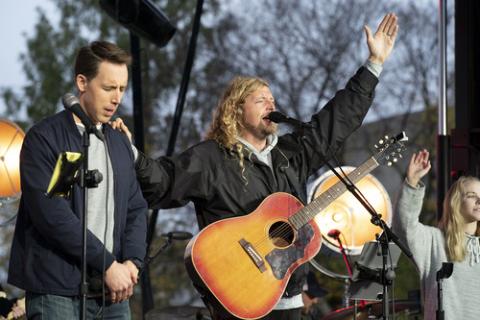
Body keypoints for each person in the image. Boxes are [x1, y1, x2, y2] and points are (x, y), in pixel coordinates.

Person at [114, 13, 398, 320]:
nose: (271, 105)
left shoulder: (291, 155)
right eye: (261, 99)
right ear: (236, 108)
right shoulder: (212, 158)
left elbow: (335, 123)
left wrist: (374, 65)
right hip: (237, 301)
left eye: (273, 100)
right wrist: (131, 154)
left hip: (288, 302)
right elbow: (162, 181)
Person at [7, 41, 148, 319]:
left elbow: (136, 208)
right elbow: (53, 214)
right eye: (109, 88)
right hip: (58, 291)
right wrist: (108, 265)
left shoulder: (119, 143)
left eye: (122, 89)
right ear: (82, 82)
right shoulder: (51, 138)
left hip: (113, 294)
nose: (117, 98)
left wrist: (132, 262)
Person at [393, 150, 480, 320]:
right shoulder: (435, 241)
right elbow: (404, 227)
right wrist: (412, 183)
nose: (479, 200)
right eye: (472, 196)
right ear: (456, 202)